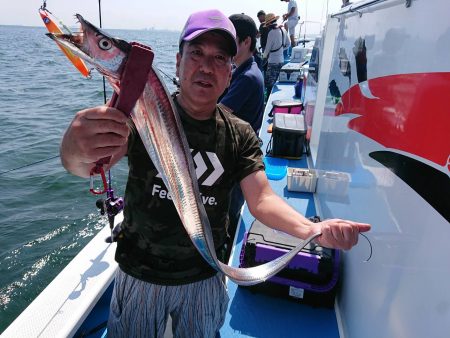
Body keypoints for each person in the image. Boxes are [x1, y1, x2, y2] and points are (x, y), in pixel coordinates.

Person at [60, 9, 371, 337]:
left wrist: (312, 230)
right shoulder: (142, 117)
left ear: (230, 71)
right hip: (140, 274)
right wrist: (75, 147)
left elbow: (262, 199)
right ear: (179, 60)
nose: (206, 66)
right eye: (196, 53)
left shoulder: (238, 134)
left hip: (205, 277)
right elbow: (86, 165)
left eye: (220, 57)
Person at [218, 13, 265, 257]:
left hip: (236, 159)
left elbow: (219, 114)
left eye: (230, 40)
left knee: (229, 215)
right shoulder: (245, 69)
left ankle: (225, 259)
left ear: (246, 41)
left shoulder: (248, 77)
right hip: (235, 153)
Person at [262, 13, 290, 96]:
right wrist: (281, 49)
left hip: (272, 62)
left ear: (269, 23)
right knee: (278, 84)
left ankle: (268, 104)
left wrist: (263, 58)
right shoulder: (283, 30)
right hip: (281, 61)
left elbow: (267, 49)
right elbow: (288, 44)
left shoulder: (272, 32)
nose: (267, 27)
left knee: (270, 85)